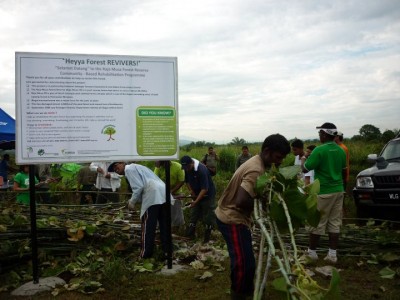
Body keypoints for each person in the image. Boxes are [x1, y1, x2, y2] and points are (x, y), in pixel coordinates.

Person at [215, 134, 291, 299]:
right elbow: (242, 200)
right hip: (231, 218)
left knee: (246, 260)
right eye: (278, 157)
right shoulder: (256, 169)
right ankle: (240, 295)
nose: (280, 162)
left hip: (235, 217)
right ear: (267, 151)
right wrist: (268, 208)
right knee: (244, 263)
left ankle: (247, 290)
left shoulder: (259, 163)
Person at [301, 122, 347, 264]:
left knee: (317, 222)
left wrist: (303, 159)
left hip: (324, 191)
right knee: (334, 222)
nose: (319, 135)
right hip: (338, 190)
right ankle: (332, 255)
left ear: (326, 134)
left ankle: (312, 253)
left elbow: (305, 169)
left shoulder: (319, 150)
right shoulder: (341, 150)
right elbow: (344, 171)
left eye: (320, 133)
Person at [108, 161, 168, 259]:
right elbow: (142, 185)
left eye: (116, 165)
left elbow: (138, 187)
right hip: (162, 193)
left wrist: (131, 202)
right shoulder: (137, 167)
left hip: (152, 194)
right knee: (164, 224)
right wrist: (137, 201)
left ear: (122, 163)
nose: (115, 169)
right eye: (114, 169)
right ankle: (167, 252)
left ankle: (145, 254)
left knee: (148, 226)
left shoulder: (129, 169)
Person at [180, 155, 216, 243]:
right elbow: (187, 181)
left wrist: (196, 201)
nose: (187, 169)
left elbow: (205, 189)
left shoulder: (201, 170)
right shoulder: (186, 168)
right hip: (196, 193)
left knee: (208, 216)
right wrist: (191, 191)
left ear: (192, 163)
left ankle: (207, 239)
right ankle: (189, 236)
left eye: (188, 167)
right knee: (194, 214)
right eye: (185, 168)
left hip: (207, 195)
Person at [154, 160, 185, 227]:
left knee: (176, 215)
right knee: (162, 212)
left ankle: (175, 230)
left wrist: (171, 192)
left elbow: (181, 181)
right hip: (163, 194)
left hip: (176, 193)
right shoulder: (158, 168)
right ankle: (161, 229)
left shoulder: (178, 166)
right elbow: (155, 179)